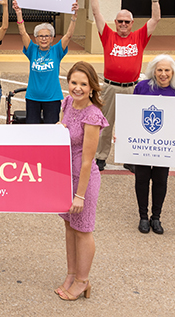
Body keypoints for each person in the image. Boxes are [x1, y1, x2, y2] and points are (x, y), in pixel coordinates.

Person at [89, 0, 160, 170]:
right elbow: (96, 12)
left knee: (131, 126)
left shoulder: (139, 37)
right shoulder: (108, 36)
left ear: (132, 23)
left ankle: (130, 158)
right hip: (111, 87)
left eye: (126, 22)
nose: (123, 24)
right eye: (120, 21)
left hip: (132, 88)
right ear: (115, 22)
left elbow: (156, 19)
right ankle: (101, 157)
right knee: (105, 125)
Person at [55, 61, 106, 301]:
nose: (77, 88)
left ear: (92, 87)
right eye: (74, 82)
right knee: (69, 226)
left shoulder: (93, 115)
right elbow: (62, 131)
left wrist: (80, 195)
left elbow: (87, 161)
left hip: (83, 180)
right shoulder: (66, 103)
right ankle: (71, 274)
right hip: (65, 176)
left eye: (83, 84)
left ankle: (83, 281)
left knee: (83, 229)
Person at [129, 55, 175, 234]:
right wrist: (124, 134)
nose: (163, 74)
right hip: (143, 142)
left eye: (167, 70)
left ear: (173, 72)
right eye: (159, 70)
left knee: (161, 180)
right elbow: (131, 112)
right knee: (142, 179)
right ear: (153, 71)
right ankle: (143, 217)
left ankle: (156, 217)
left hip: (165, 145)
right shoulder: (142, 87)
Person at [14, 0, 79, 124]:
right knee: (33, 130)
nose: (44, 39)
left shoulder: (57, 51)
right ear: (36, 38)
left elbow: (69, 35)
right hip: (33, 98)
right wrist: (19, 14)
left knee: (51, 130)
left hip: (52, 98)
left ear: (52, 38)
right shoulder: (32, 49)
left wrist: (74, 17)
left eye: (47, 36)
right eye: (40, 36)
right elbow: (22, 33)